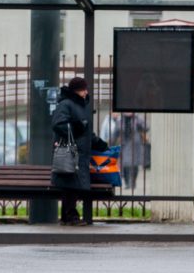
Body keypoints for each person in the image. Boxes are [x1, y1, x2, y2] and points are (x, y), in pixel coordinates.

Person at [51, 77, 108, 225]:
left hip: (79, 154)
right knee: (71, 185)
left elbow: (86, 131)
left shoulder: (80, 106)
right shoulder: (66, 104)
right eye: (83, 89)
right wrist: (76, 127)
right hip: (71, 153)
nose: (86, 92)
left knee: (72, 186)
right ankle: (71, 216)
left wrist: (99, 143)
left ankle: (67, 216)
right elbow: (58, 124)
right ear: (77, 91)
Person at [102, 112, 149, 188]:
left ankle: (133, 182)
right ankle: (127, 182)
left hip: (135, 146)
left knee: (135, 165)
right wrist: (109, 145)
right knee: (126, 164)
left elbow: (146, 127)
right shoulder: (120, 121)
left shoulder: (137, 119)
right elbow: (115, 134)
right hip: (125, 145)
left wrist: (138, 118)